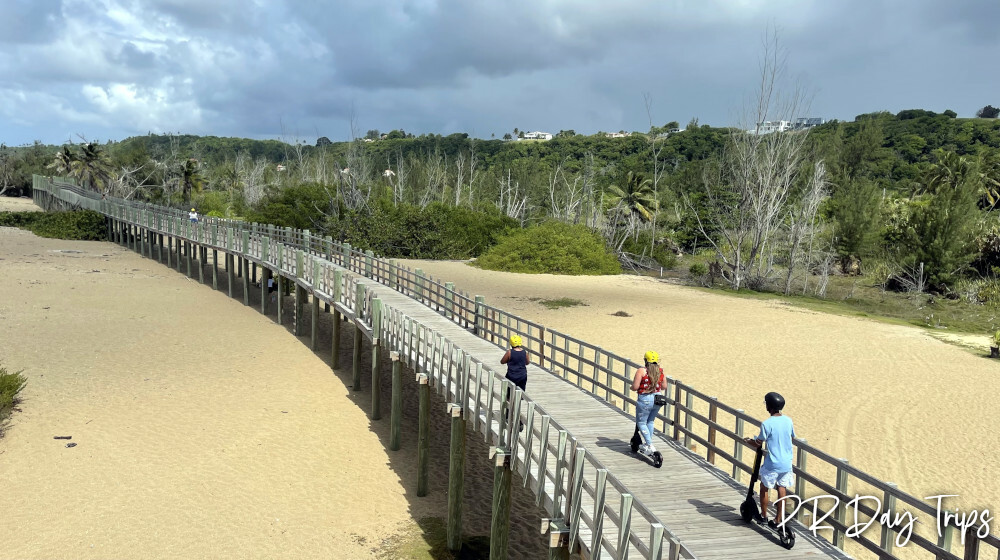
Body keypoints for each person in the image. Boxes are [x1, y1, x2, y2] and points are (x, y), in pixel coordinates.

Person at [744, 392, 796, 529]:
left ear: (769, 407)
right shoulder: (788, 420)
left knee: (764, 487)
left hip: (773, 462)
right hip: (786, 462)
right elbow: (791, 437)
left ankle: (764, 516)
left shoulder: (767, 424)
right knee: (782, 488)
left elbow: (758, 442)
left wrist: (749, 441)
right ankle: (778, 519)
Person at [630, 351, 664, 454]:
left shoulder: (642, 371)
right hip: (657, 398)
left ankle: (649, 445)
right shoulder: (660, 371)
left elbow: (635, 387)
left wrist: (632, 387)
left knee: (641, 422)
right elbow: (664, 386)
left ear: (645, 360)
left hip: (645, 399)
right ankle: (647, 443)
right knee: (650, 421)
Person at [500, 335, 530, 429]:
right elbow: (527, 362)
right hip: (522, 376)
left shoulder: (509, 352)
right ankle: (519, 420)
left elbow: (502, 361)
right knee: (518, 396)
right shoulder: (524, 352)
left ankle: (508, 415)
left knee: (509, 396)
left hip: (511, 376)